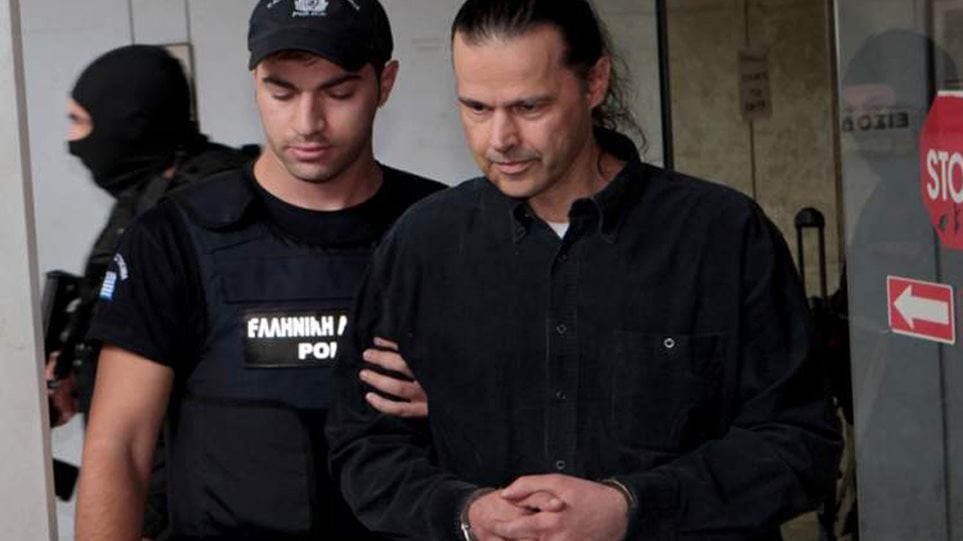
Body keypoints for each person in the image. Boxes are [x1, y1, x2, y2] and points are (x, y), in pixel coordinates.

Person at [326, 0, 843, 539]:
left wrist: (631, 508)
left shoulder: (721, 236)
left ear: (594, 82)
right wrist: (466, 513)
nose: (499, 139)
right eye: (477, 108)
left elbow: (800, 444)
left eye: (529, 107)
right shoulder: (421, 246)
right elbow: (365, 445)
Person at [75, 1, 444, 539]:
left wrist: (455, 404)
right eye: (282, 92)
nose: (308, 123)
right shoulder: (172, 238)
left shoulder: (447, 230)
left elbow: (529, 417)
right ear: (255, 83)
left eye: (339, 93)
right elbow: (120, 446)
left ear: (384, 83)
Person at [48, 44, 256, 427]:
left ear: (127, 126)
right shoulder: (145, 197)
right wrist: (80, 375)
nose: (73, 142)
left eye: (80, 121)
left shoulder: (213, 205)